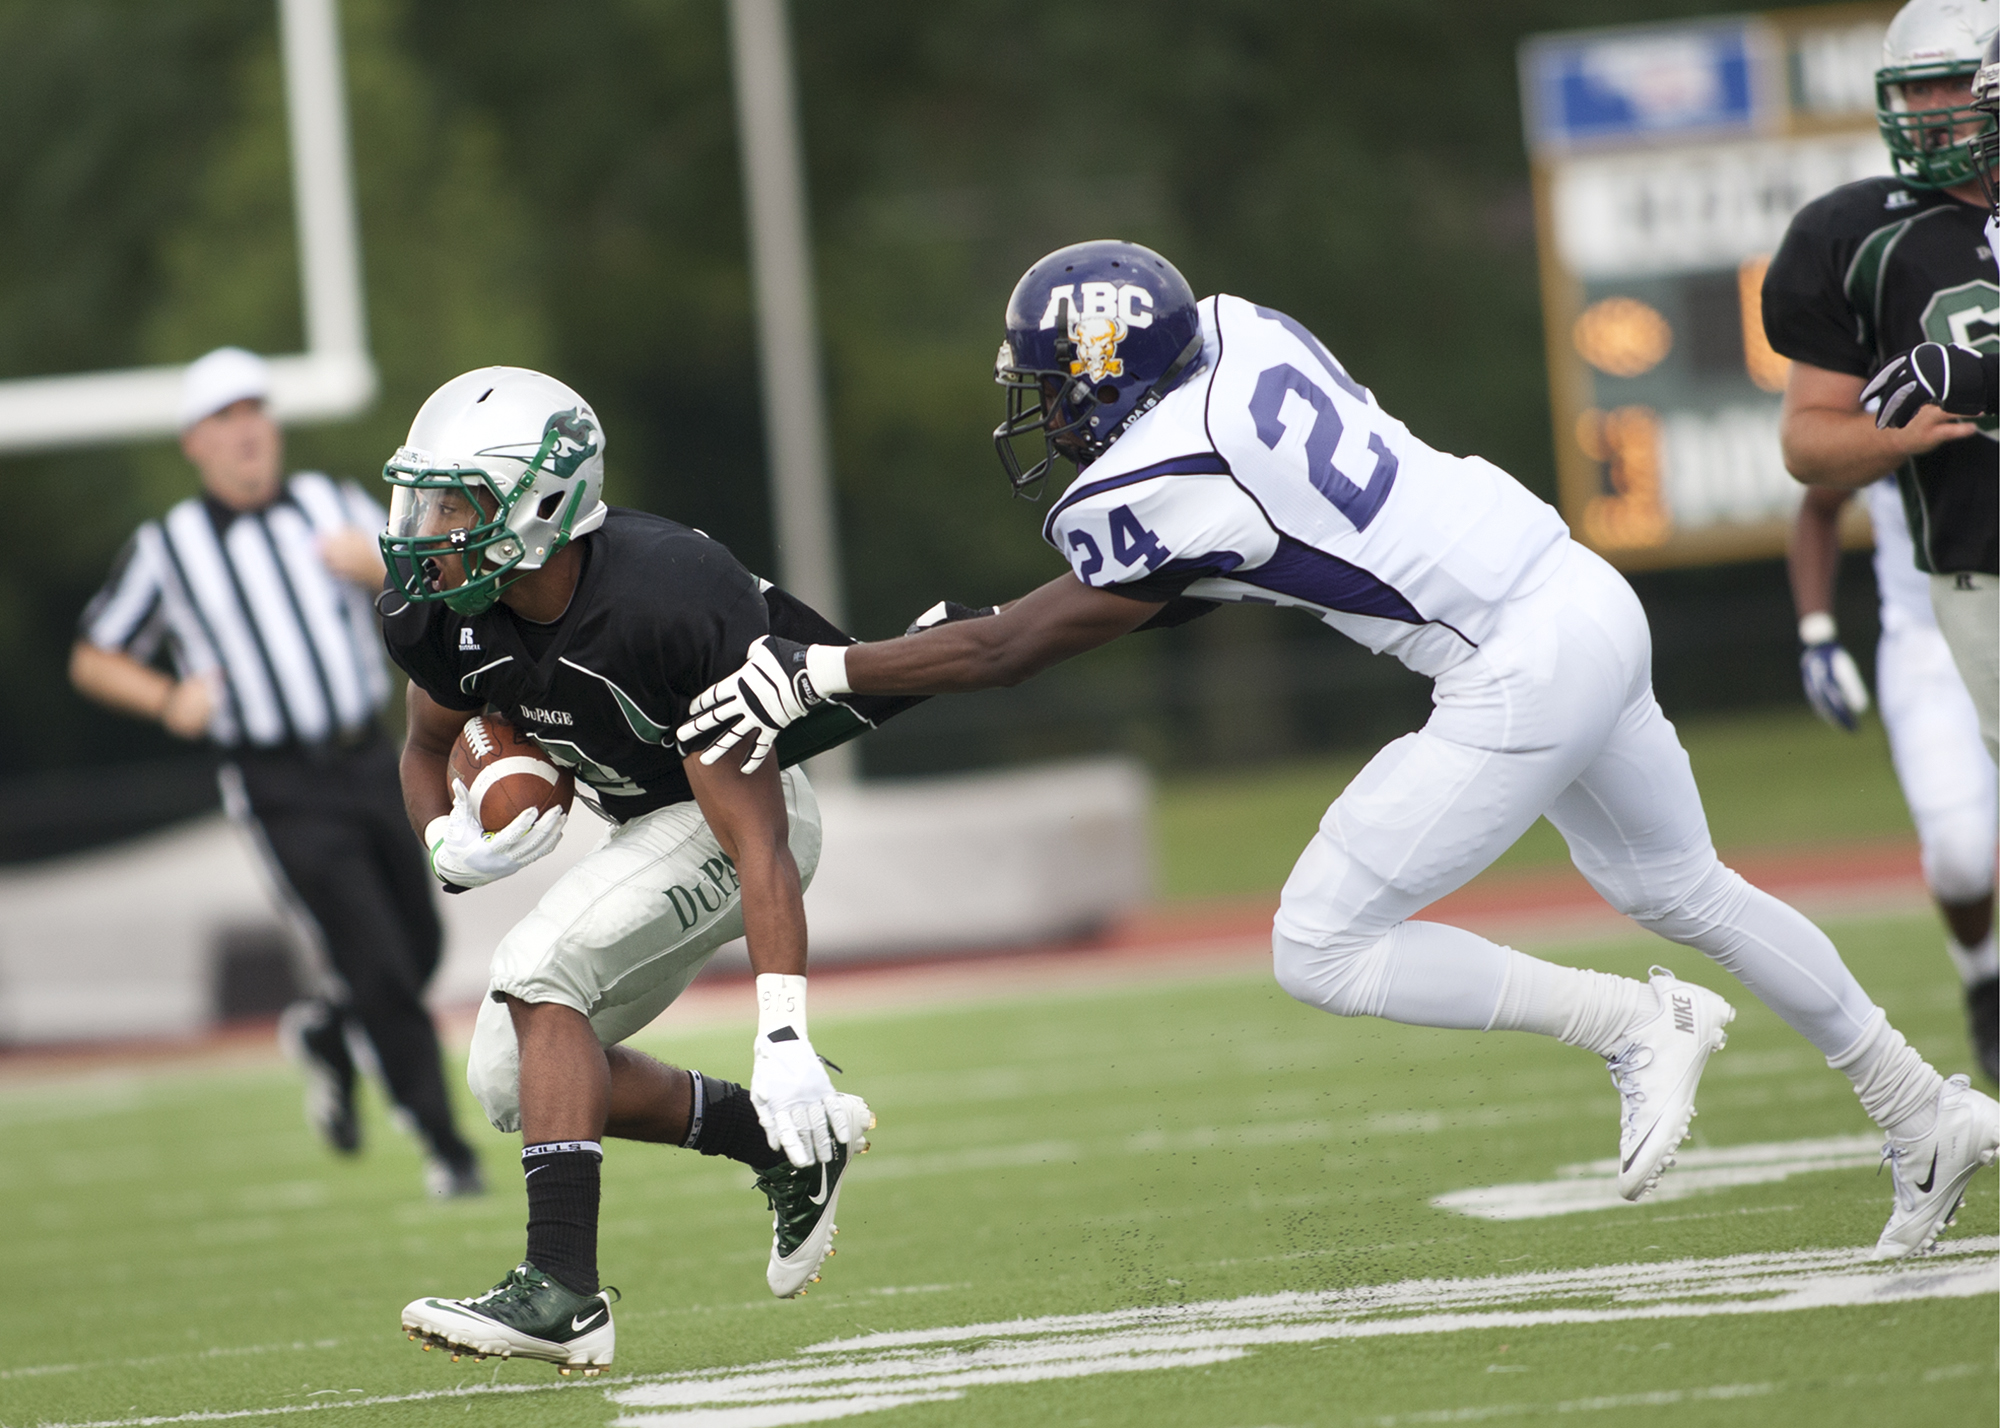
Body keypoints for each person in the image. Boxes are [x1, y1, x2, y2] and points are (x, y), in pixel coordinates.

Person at [680, 239, 2000, 1262]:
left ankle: (1631, 1023)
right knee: (1685, 885)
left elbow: (1012, 648)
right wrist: (911, 651)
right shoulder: (1245, 331)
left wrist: (823, 670)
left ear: (1105, 383)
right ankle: (1919, 1107)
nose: (1038, 410)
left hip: (1510, 668)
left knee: (1316, 942)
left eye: (1049, 386)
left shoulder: (1156, 482)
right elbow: (1201, 574)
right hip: (1578, 587)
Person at [382, 368, 899, 1375]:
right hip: (645, 826)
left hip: (748, 815)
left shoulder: (666, 595)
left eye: (456, 504)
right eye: (424, 499)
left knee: (539, 966)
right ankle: (779, 1143)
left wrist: (784, 1028)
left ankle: (562, 1295)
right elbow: (421, 745)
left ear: (541, 503)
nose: (427, 529)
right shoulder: (441, 610)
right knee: (505, 1079)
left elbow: (756, 839)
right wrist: (441, 839)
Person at [71, 345, 481, 1196]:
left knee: (420, 941)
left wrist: (379, 566)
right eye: (226, 416)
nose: (247, 429)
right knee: (372, 954)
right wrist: (166, 700)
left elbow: (435, 581)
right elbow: (94, 655)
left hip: (370, 755)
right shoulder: (170, 547)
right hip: (278, 781)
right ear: (195, 441)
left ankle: (332, 1031)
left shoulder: (332, 504)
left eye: (256, 409)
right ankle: (447, 1149)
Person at [1764, 0, 1999, 763]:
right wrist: (1887, 436)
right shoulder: (1856, 234)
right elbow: (1807, 442)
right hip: (1982, 569)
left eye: (1953, 83)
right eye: (1915, 89)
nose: (1932, 110)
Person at [1788, 481, 1997, 1082]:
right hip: (1930, 644)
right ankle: (1985, 979)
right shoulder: (1890, 390)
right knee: (1959, 856)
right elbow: (1818, 490)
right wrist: (1816, 634)